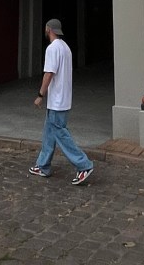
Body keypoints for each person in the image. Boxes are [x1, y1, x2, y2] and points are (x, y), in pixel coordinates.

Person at [29, 18, 94, 185]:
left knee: (60, 134)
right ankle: (43, 165)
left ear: (49, 29)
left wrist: (40, 94)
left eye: (46, 28)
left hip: (56, 100)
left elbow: (49, 73)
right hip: (62, 99)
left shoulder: (52, 48)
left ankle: (84, 165)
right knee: (49, 133)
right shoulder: (65, 47)